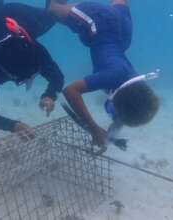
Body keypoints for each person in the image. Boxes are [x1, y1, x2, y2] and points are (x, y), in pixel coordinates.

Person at [47, 0, 159, 149]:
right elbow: (70, 91)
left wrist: (113, 130)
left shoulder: (132, 83)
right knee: (51, 10)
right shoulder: (113, 76)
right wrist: (93, 128)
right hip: (98, 21)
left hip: (122, 31)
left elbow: (125, 106)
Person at [0, 0, 64, 134]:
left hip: (24, 19)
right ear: (6, 72)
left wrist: (49, 95)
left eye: (33, 75)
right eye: (22, 80)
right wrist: (13, 126)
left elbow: (57, 77)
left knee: (54, 13)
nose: (27, 82)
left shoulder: (37, 51)